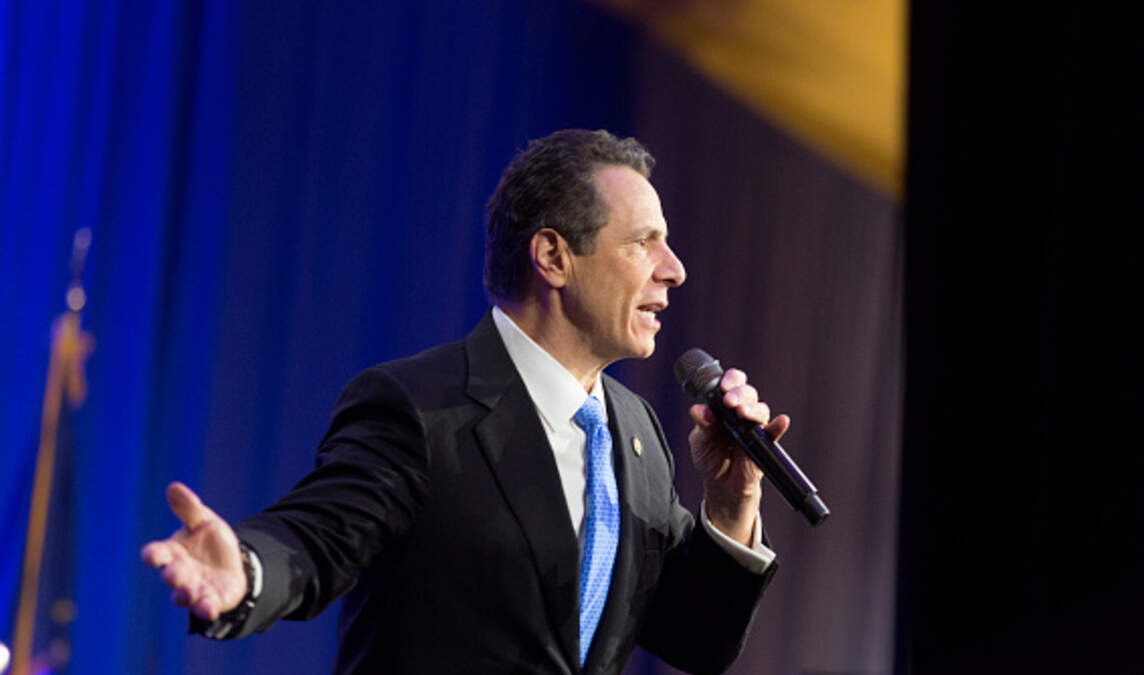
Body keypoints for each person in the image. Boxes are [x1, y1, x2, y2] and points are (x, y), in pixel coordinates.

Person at [142, 129, 790, 674]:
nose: (673, 267)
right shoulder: (420, 408)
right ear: (553, 257)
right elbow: (320, 537)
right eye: (642, 242)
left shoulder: (634, 430)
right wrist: (246, 570)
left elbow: (694, 639)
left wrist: (732, 502)